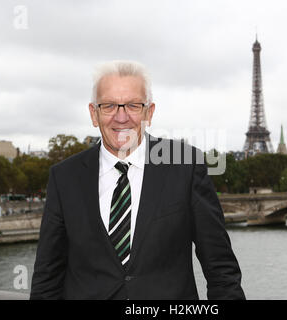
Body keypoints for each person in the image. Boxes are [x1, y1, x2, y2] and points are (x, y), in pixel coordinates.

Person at [30, 60, 245, 300]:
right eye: (109, 105)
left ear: (149, 112)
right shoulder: (64, 177)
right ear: (94, 113)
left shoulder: (186, 166)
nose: (121, 117)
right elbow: (47, 278)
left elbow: (221, 270)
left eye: (133, 105)